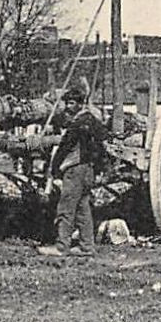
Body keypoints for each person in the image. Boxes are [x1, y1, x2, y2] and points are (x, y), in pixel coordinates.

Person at [45, 79, 108, 256]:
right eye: (67, 103)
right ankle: (87, 247)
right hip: (88, 170)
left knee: (66, 208)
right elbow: (102, 143)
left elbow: (64, 147)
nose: (67, 107)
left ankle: (61, 247)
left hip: (74, 169)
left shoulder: (77, 124)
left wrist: (54, 168)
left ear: (80, 104)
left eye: (71, 103)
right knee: (83, 208)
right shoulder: (94, 121)